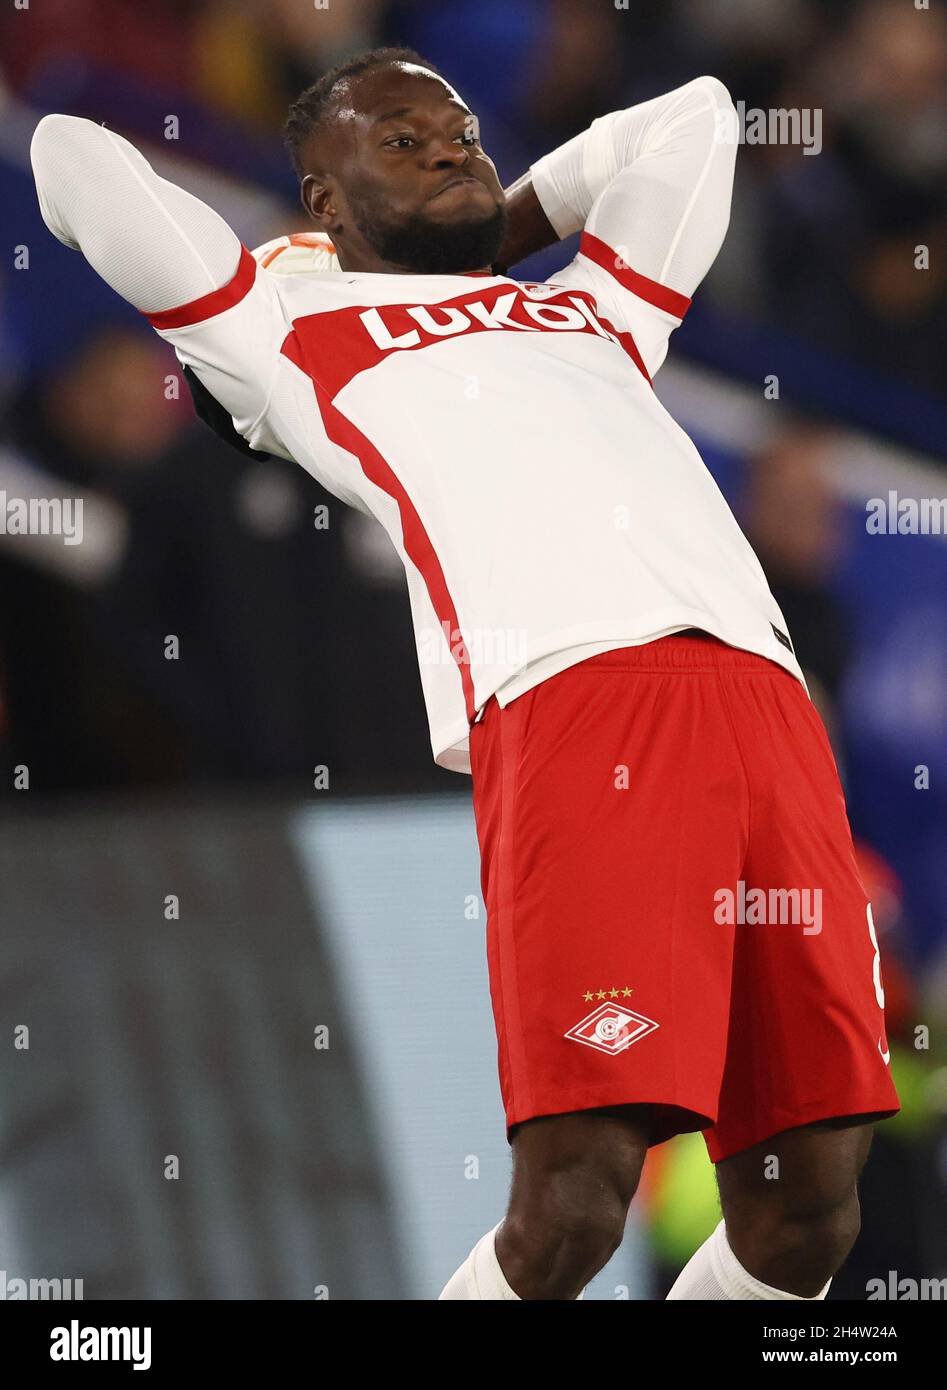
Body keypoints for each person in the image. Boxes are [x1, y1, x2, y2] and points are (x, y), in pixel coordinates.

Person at [30, 46, 899, 1301]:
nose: (450, 148)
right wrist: (287, 257)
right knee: (574, 1204)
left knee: (808, 1209)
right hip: (576, 708)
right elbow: (68, 155)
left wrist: (513, 216)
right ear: (324, 201)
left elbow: (694, 119)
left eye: (462, 137)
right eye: (401, 139)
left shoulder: (588, 313)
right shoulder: (283, 334)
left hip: (764, 706)